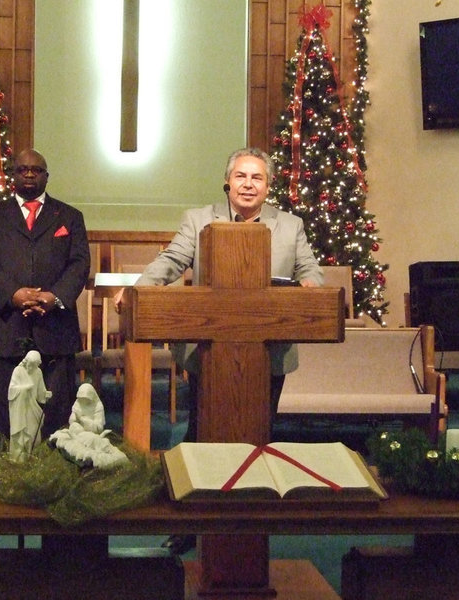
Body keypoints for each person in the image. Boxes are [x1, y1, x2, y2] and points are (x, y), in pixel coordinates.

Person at [114, 147, 322, 553]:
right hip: (209, 351)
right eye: (241, 176)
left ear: (268, 185)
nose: (248, 184)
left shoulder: (290, 225)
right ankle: (193, 522)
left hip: (269, 350)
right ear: (228, 182)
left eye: (257, 178)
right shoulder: (199, 219)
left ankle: (250, 530)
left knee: (260, 436)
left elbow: (308, 268)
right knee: (200, 436)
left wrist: (312, 284)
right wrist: (139, 287)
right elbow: (172, 260)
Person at [0, 149, 90, 441]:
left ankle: (53, 467)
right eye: (22, 169)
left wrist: (54, 297)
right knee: (2, 412)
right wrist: (13, 294)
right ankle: (1, 473)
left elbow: (79, 264)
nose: (28, 174)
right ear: (13, 175)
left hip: (55, 328)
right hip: (5, 325)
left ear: (46, 176)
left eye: (36, 170)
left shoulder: (70, 217)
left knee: (56, 411)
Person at [8, 350, 52, 461]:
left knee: (33, 436)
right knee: (21, 436)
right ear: (26, 361)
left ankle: (31, 458)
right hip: (20, 410)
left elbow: (40, 394)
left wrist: (45, 394)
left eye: (34, 365)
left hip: (32, 409)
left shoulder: (38, 373)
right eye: (30, 365)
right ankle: (19, 458)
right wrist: (24, 390)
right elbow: (11, 391)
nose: (31, 368)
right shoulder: (18, 371)